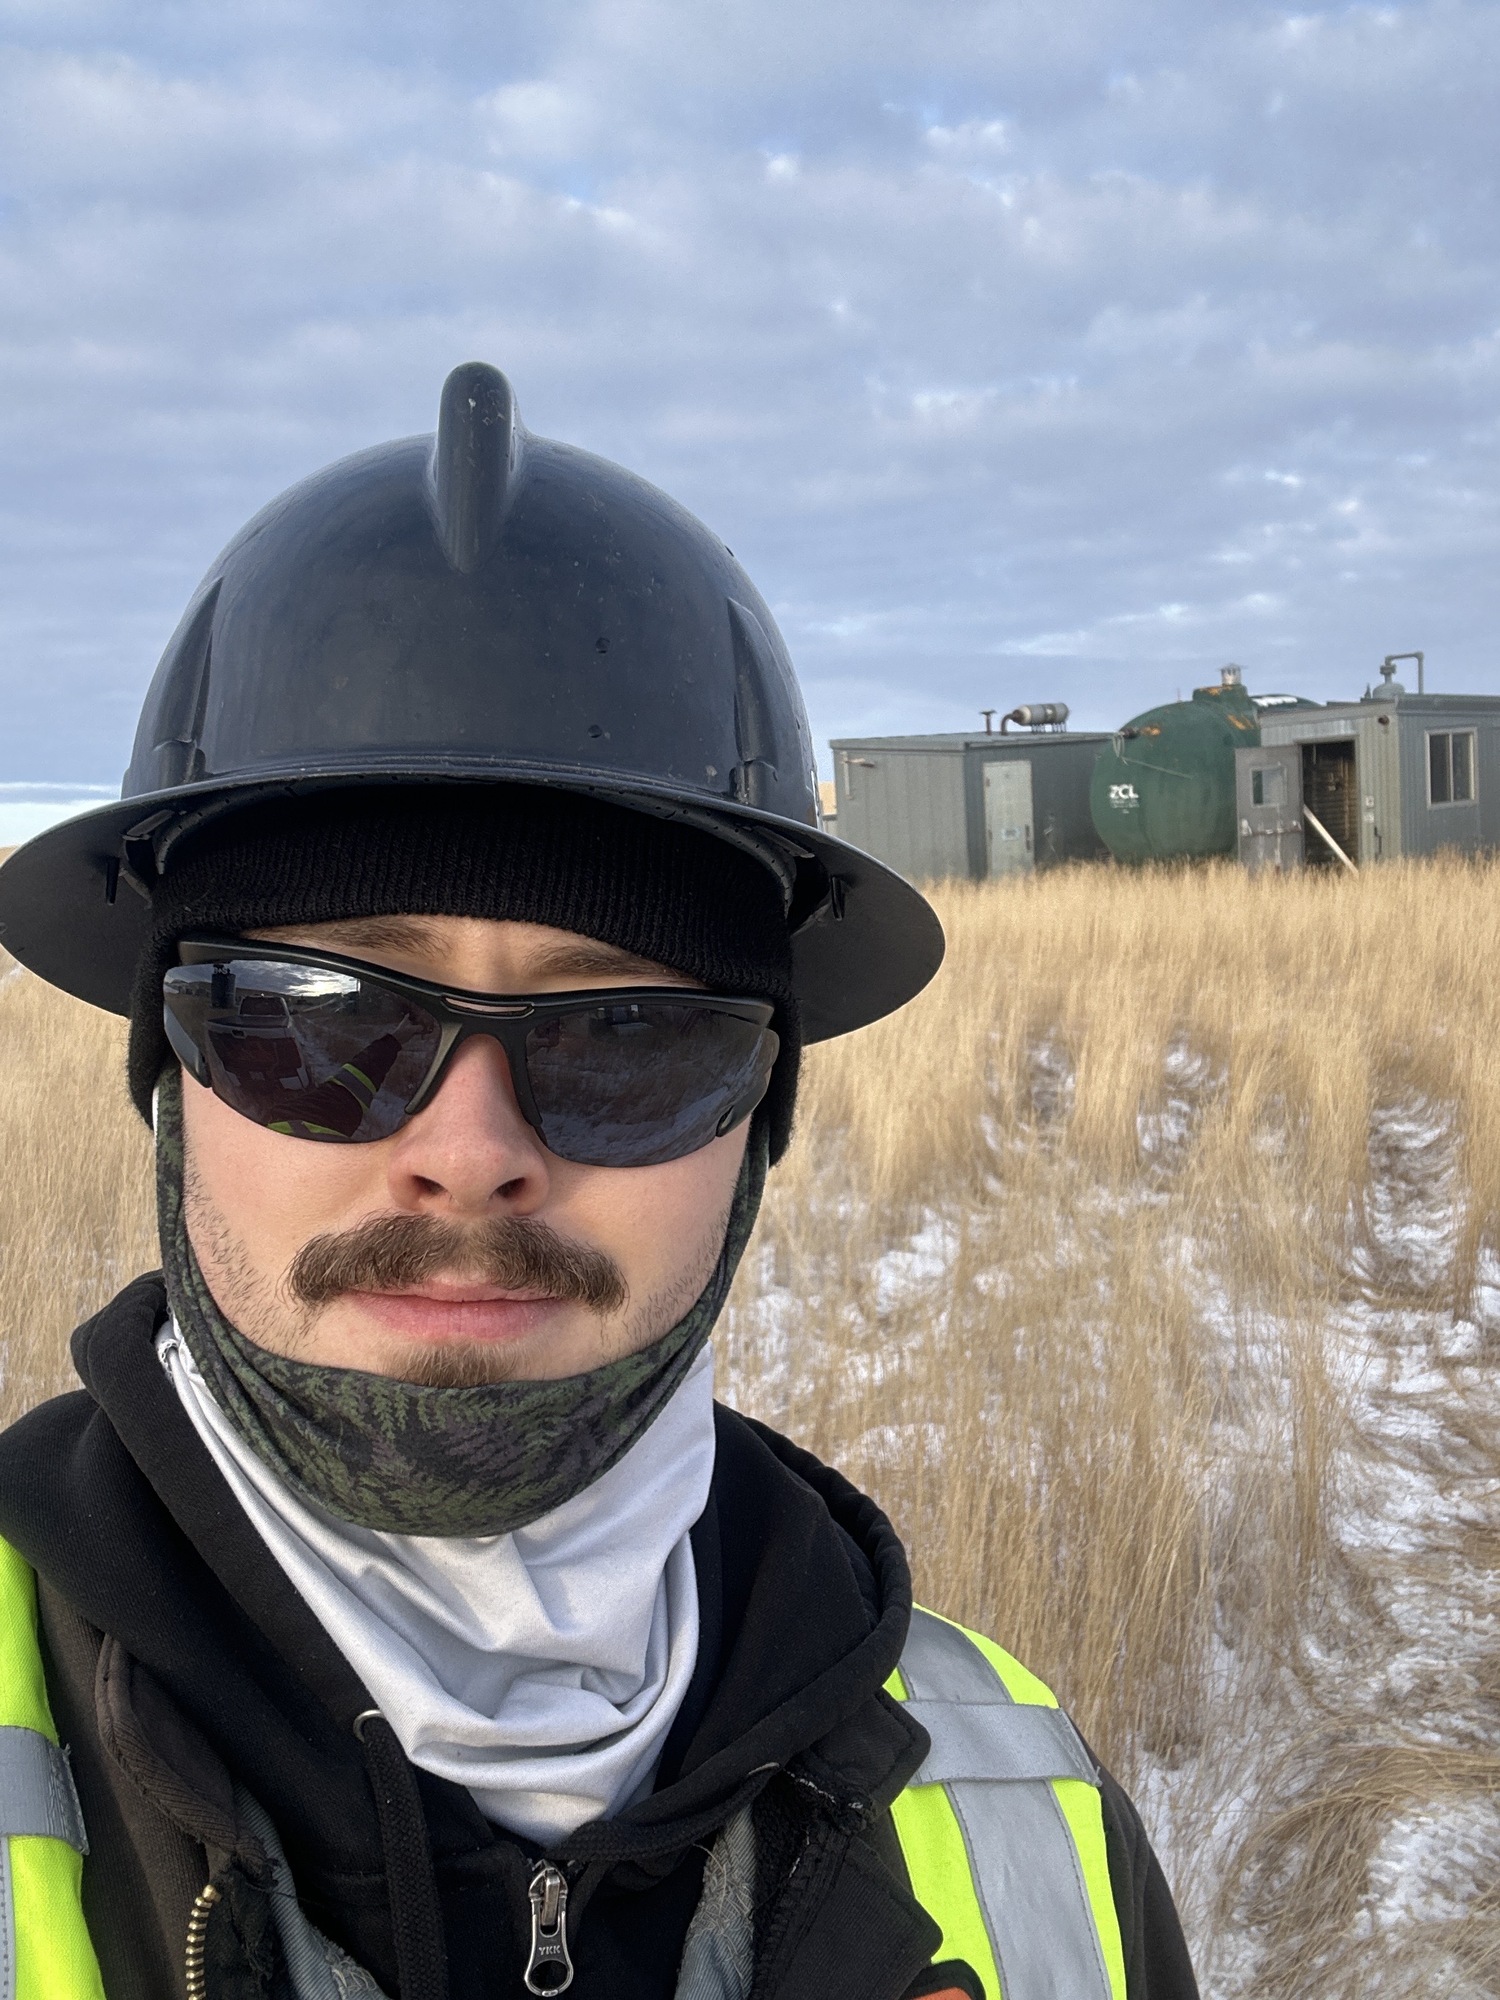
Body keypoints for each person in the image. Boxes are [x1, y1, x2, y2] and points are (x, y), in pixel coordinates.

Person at [0, 363, 1198, 2000]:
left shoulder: (1026, 1814)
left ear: (756, 1129)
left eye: (626, 1040)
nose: (470, 1155)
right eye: (318, 1026)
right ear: (171, 1087)